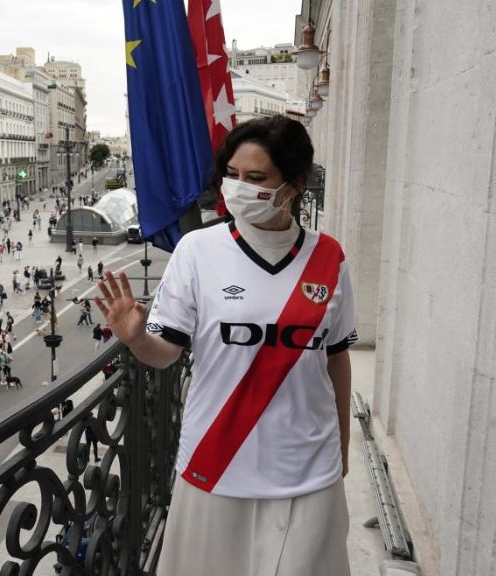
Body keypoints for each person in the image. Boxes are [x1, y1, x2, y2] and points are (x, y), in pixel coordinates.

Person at [93, 116, 356, 576]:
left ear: (293, 185)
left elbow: (336, 358)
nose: (237, 187)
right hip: (215, 460)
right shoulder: (198, 251)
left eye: (256, 178)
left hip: (308, 467)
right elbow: (167, 351)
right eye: (231, 174)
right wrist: (136, 339)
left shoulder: (329, 258)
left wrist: (344, 448)